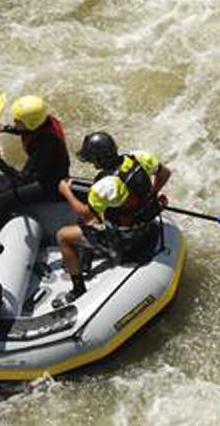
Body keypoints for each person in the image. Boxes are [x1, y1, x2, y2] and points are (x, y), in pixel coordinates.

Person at [53, 131, 171, 308]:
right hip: (147, 221)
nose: (92, 163)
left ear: (100, 159)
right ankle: (84, 262)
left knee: (63, 236)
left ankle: (78, 289)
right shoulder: (139, 157)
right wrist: (151, 195)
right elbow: (165, 174)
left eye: (93, 159)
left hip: (127, 239)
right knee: (89, 223)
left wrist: (66, 192)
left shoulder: (104, 186)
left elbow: (87, 215)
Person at [0, 95, 70, 237]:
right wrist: (6, 128)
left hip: (51, 185)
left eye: (17, 121)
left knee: (3, 199)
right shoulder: (44, 121)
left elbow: (22, 179)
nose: (15, 122)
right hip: (46, 173)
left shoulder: (45, 145)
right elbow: (29, 129)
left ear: (31, 122)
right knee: (5, 190)